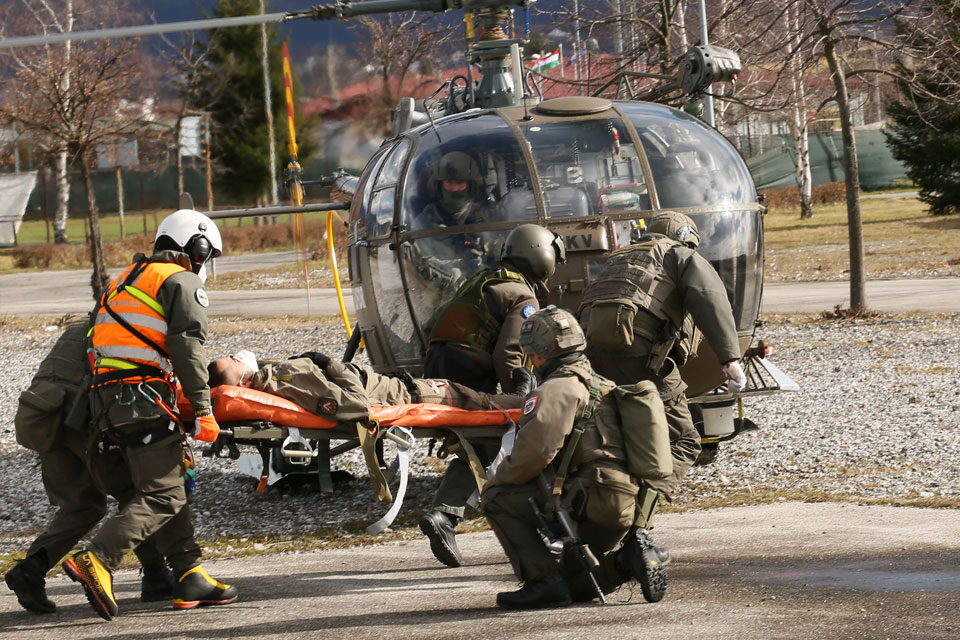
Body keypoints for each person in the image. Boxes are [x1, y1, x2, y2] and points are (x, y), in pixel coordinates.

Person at [60, 209, 237, 621]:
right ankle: (98, 560)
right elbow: (188, 348)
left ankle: (188, 572)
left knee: (163, 483)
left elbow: (93, 343)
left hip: (103, 405)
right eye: (205, 255)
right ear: (197, 247)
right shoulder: (179, 280)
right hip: (142, 399)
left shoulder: (120, 280)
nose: (204, 264)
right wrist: (204, 408)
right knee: (165, 493)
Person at [577, 211, 746, 555]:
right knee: (684, 441)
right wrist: (730, 359)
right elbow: (709, 297)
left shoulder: (619, 258)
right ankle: (636, 529)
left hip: (594, 359)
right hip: (643, 359)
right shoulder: (678, 254)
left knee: (618, 439)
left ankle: (588, 519)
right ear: (687, 237)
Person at [480, 306, 663, 609]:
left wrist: (495, 481)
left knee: (497, 498)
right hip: (624, 506)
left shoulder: (556, 389)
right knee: (574, 586)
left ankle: (540, 582)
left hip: (590, 500)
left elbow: (533, 455)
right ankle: (627, 561)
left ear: (539, 355)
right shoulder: (601, 384)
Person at [419, 224, 566, 568]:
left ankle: (445, 516)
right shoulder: (523, 296)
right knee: (508, 437)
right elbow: (510, 354)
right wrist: (519, 396)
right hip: (469, 371)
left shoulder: (484, 279)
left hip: (440, 366)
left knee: (481, 445)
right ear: (541, 256)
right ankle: (544, 525)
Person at [4, 317, 174, 614]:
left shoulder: (81, 327)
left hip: (45, 417)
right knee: (136, 492)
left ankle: (31, 569)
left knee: (82, 506)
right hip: (81, 418)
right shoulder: (122, 329)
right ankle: (156, 575)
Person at [206, 353, 531, 419]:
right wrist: (332, 365)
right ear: (244, 379)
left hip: (395, 386)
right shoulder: (289, 379)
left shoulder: (274, 376)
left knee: (471, 394)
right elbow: (359, 406)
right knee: (471, 398)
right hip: (407, 394)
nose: (238, 355)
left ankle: (519, 396)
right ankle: (524, 400)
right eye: (234, 360)